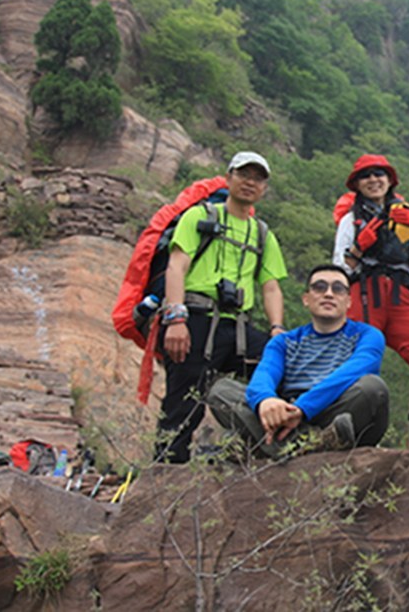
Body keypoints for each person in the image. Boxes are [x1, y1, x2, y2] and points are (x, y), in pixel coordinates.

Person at [157, 151, 288, 463]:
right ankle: (165, 472)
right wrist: (176, 319)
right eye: (244, 175)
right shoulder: (200, 217)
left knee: (283, 369)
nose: (250, 183)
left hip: (238, 326)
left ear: (264, 189)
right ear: (228, 178)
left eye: (258, 178)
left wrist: (277, 331)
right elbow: (177, 267)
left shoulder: (263, 234)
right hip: (195, 319)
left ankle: (258, 444)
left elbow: (270, 286)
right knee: (184, 400)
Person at [206, 264, 388, 458]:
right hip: (287, 413)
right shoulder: (284, 341)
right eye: (319, 287)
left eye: (338, 289)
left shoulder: (368, 335)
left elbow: (354, 371)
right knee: (221, 391)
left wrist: (303, 409)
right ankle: (312, 441)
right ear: (306, 299)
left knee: (372, 387)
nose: (329, 294)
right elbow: (264, 375)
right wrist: (265, 401)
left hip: (336, 410)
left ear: (349, 301)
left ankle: (272, 444)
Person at [333, 154, 409, 438]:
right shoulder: (351, 220)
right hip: (364, 295)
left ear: (390, 180)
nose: (374, 180)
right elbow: (339, 270)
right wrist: (359, 248)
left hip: (401, 299)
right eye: (366, 175)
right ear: (357, 184)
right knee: (356, 369)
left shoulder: (407, 215)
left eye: (379, 174)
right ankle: (353, 438)